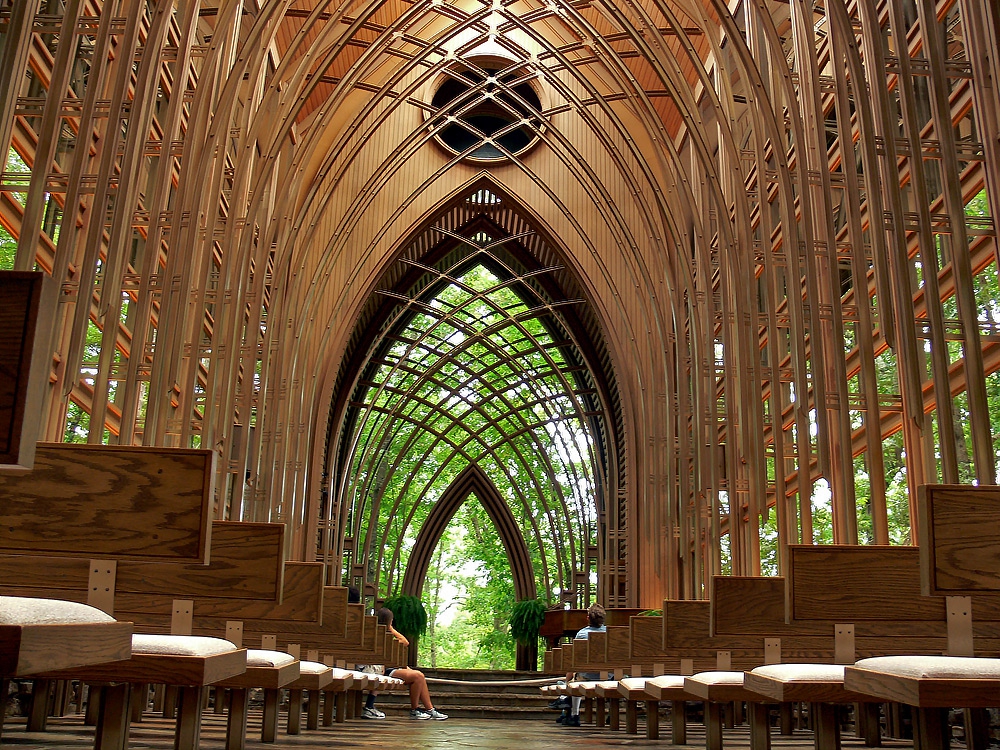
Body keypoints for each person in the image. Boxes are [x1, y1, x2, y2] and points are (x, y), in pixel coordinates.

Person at [377, 607, 449, 720]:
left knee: (419, 676)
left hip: (392, 668)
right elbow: (405, 642)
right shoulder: (380, 636)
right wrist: (390, 627)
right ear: (389, 622)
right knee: (417, 675)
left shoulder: (388, 636)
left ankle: (430, 710)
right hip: (383, 669)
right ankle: (415, 710)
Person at [559, 602, 606, 727]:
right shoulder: (610, 633)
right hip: (608, 676)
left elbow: (575, 661)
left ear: (588, 618)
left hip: (587, 676)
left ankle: (575, 715)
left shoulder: (582, 634)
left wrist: (567, 680)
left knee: (575, 678)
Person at [348, 586, 387, 720]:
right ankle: (369, 706)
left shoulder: (328, 615)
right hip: (358, 666)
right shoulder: (362, 620)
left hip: (328, 662)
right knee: (378, 665)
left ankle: (336, 705)